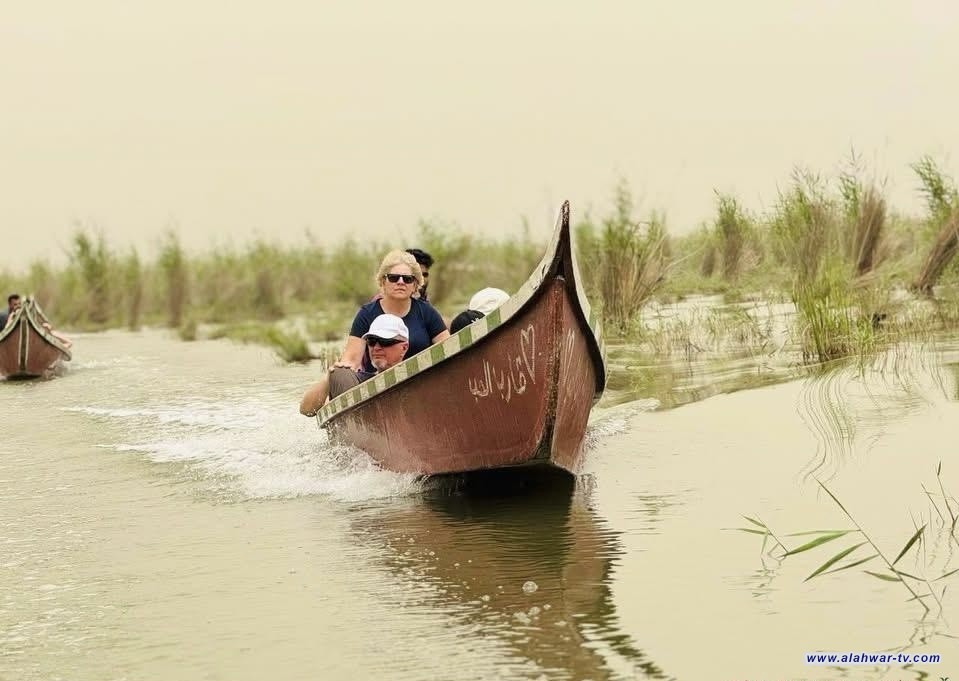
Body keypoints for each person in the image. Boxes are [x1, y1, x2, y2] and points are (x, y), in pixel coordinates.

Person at [337, 250, 449, 375]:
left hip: (421, 380)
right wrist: (339, 374)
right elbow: (351, 360)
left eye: (407, 279)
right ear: (383, 282)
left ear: (415, 285)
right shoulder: (366, 314)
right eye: (393, 278)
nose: (400, 282)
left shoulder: (427, 312)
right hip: (377, 385)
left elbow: (449, 349)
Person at [300, 314, 410, 416]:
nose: (376, 347)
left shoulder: (416, 377)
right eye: (371, 341)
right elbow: (306, 410)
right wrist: (329, 378)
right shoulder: (356, 381)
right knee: (340, 373)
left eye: (385, 341)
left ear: (404, 347)